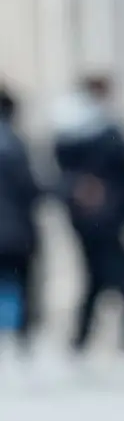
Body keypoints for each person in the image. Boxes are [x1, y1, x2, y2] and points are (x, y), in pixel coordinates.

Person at [53, 75, 124, 352]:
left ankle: (88, 335)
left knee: (103, 276)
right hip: (98, 217)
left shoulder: (80, 131)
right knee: (112, 275)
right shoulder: (91, 133)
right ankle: (119, 331)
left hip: (100, 216)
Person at [0, 87, 41, 344]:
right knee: (19, 282)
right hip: (16, 231)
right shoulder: (15, 144)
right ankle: (16, 333)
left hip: (13, 229)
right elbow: (31, 187)